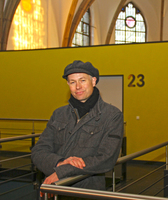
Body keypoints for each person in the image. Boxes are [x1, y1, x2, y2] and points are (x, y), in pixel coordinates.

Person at [31, 60, 124, 196]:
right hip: (54, 190)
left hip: (87, 192)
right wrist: (59, 162)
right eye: (73, 82)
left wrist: (63, 171)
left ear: (93, 81)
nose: (78, 87)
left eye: (82, 80)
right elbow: (38, 151)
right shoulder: (59, 114)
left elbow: (106, 158)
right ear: (68, 84)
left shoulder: (112, 115)